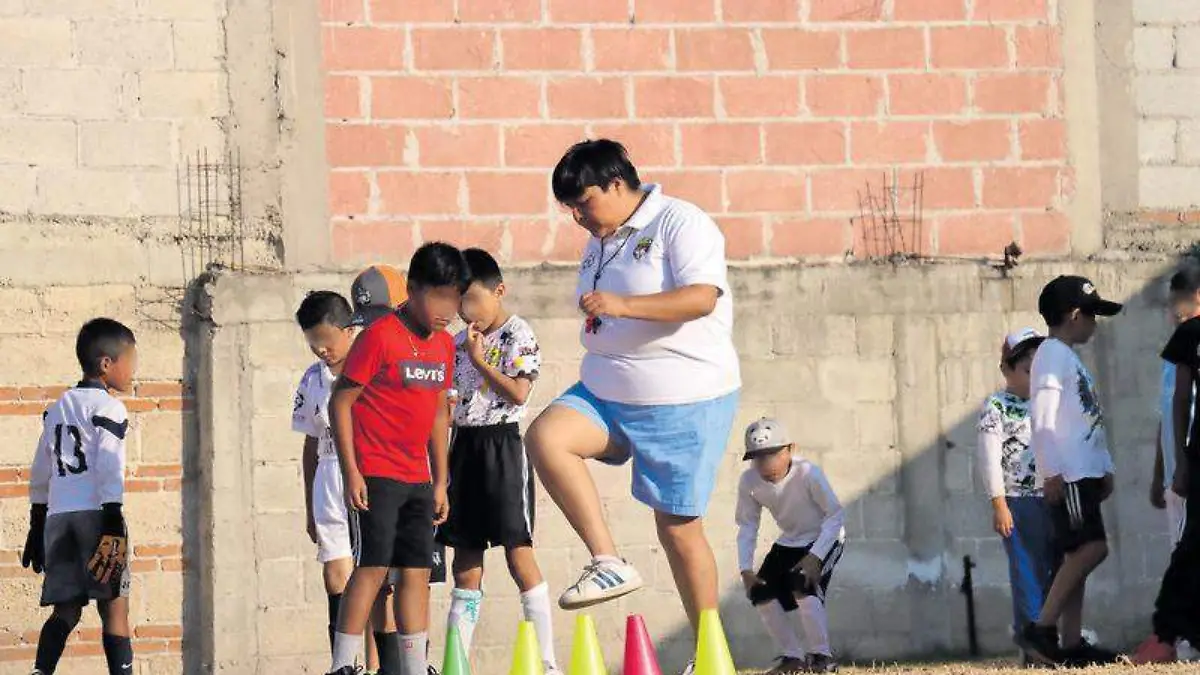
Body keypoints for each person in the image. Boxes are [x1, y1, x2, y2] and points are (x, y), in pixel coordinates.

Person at [526, 139, 741, 674]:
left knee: (677, 528)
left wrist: (622, 306)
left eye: (584, 202)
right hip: (604, 392)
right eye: (570, 208)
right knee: (546, 438)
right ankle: (607, 561)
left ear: (618, 184)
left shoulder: (680, 222)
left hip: (680, 397)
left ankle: (709, 654)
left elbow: (701, 298)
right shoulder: (600, 238)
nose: (577, 216)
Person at [325, 243, 467, 675]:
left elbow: (438, 413)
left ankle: (412, 665)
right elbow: (340, 403)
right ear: (414, 289)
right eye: (439, 296)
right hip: (377, 473)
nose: (448, 309)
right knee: (372, 567)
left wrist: (441, 480)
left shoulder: (444, 345)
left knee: (416, 572)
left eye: (456, 299)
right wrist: (352, 471)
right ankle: (343, 664)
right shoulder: (380, 336)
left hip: (418, 478)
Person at [437, 249, 560, 673]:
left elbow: (519, 393)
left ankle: (545, 662)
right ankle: (457, 662)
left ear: (498, 291)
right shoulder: (454, 344)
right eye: (458, 302)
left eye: (471, 299)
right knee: (465, 563)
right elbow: (448, 407)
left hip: (503, 447)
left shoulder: (516, 334)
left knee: (518, 553)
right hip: (463, 449)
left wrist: (478, 360)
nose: (464, 311)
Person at [293, 282, 403, 675]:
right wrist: (309, 504)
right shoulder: (312, 379)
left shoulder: (375, 367)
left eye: (326, 340)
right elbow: (309, 444)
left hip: (369, 472)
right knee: (335, 573)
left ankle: (384, 666)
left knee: (375, 576)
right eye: (312, 343)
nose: (321, 350)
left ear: (349, 329)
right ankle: (344, 665)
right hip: (328, 475)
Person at [21, 318, 138, 675]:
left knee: (66, 611)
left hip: (58, 520)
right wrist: (114, 517)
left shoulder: (56, 409)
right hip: (97, 516)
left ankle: (41, 672)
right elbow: (109, 464)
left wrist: (37, 520)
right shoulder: (109, 408)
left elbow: (40, 469)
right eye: (130, 361)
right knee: (115, 609)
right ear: (107, 364)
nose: (134, 370)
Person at [1017, 275, 1122, 667]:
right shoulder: (1051, 355)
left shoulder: (1068, 358)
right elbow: (1042, 417)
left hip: (1085, 474)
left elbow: (1084, 419)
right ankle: (1042, 628)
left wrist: (1105, 467)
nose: (1096, 324)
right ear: (1075, 315)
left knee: (1076, 553)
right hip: (1070, 475)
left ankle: (1072, 642)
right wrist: (1051, 472)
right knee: (1091, 549)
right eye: (1093, 315)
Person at [735, 418, 845, 675]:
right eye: (758, 457)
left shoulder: (808, 473)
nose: (766, 463)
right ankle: (792, 657)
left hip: (825, 536)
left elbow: (835, 516)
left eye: (772, 454)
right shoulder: (749, 481)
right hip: (790, 539)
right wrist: (745, 569)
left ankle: (821, 657)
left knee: (802, 584)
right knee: (759, 592)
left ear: (790, 449)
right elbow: (747, 525)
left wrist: (816, 556)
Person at [977, 328, 1059, 658]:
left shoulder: (1049, 401)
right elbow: (988, 457)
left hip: (1052, 497)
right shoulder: (996, 406)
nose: (1034, 377)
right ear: (1006, 369)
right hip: (1018, 501)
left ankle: (1050, 636)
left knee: (1055, 570)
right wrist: (999, 503)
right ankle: (1031, 639)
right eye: (1027, 370)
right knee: (1026, 571)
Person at [1134, 267, 1200, 664]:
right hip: (1188, 464)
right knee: (1185, 548)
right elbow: (1172, 410)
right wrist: (1166, 468)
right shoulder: (1181, 347)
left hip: (1190, 462)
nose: (1176, 313)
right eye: (1171, 306)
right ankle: (1175, 636)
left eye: (1183, 303)